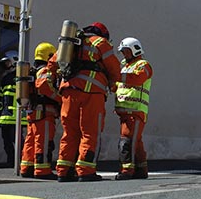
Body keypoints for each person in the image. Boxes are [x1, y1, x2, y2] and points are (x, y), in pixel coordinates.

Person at [53, 22, 121, 182]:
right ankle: (86, 170)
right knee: (90, 132)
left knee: (69, 133)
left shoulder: (73, 41)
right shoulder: (101, 43)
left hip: (68, 92)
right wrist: (112, 83)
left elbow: (54, 63)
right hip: (92, 93)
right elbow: (115, 69)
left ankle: (63, 170)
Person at [114, 37, 153, 180]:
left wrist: (117, 76)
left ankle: (127, 171)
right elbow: (119, 86)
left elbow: (137, 79)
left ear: (135, 50)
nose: (124, 54)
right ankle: (141, 170)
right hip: (125, 112)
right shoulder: (125, 67)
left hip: (136, 111)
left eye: (126, 51)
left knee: (127, 141)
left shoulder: (143, 65)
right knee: (136, 142)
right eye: (123, 52)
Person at [20, 42, 61, 179]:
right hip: (44, 112)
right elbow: (44, 87)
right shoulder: (44, 71)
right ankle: (42, 170)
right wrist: (60, 98)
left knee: (30, 140)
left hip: (33, 111)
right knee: (43, 141)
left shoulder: (32, 70)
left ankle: (26, 168)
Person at [0, 50, 19, 167]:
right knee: (6, 142)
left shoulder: (21, 77)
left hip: (17, 116)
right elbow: (1, 97)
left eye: (7, 63)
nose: (6, 66)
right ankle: (11, 161)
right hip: (5, 116)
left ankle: (21, 162)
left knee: (18, 141)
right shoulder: (5, 78)